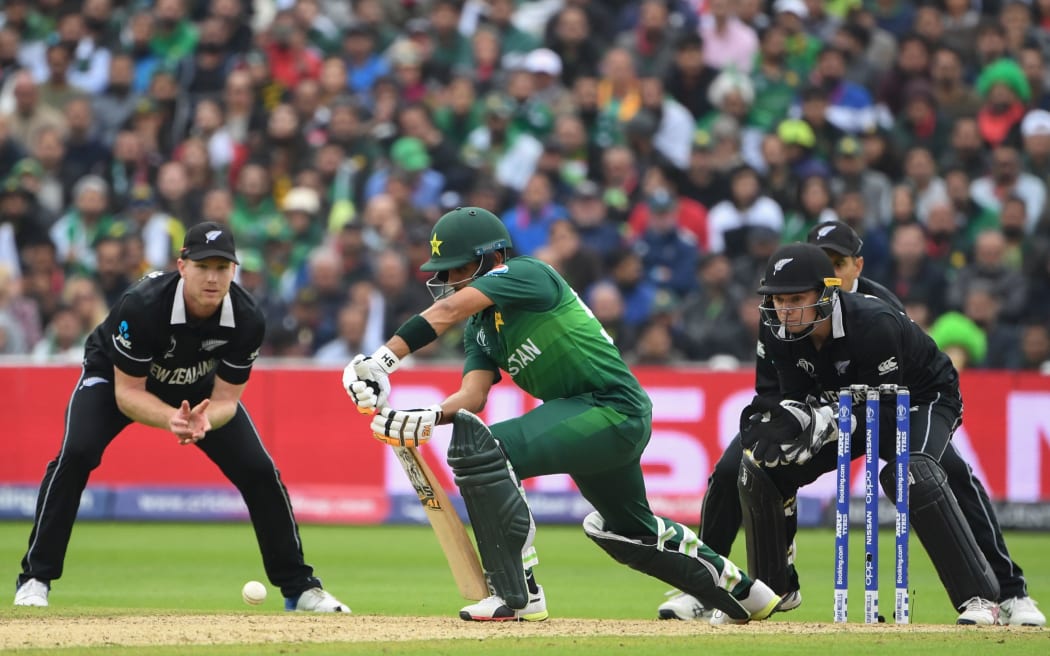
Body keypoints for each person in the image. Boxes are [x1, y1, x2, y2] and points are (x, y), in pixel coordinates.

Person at [341, 207, 782, 624]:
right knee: (630, 533)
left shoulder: (526, 274)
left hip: (612, 406)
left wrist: (382, 360)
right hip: (588, 421)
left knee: (486, 450)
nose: (449, 281)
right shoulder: (481, 328)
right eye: (444, 272)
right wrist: (428, 415)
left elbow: (446, 312)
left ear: (492, 258)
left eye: (458, 269)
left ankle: (520, 595)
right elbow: (473, 397)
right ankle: (746, 593)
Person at [659, 225, 1045, 627]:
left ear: (844, 274)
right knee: (748, 466)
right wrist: (790, 421)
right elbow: (781, 392)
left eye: (836, 263)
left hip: (915, 398)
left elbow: (887, 405)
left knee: (920, 471)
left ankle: (1002, 594)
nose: (785, 309)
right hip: (843, 404)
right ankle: (755, 588)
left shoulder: (876, 314)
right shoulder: (779, 322)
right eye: (779, 299)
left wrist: (824, 420)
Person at [14, 223, 350, 614]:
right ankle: (35, 578)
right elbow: (128, 395)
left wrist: (206, 421)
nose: (212, 277)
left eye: (222, 267)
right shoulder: (141, 305)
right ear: (182, 266)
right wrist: (173, 418)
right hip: (114, 378)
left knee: (259, 470)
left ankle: (300, 588)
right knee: (77, 455)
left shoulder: (247, 318)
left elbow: (226, 400)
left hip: (198, 393)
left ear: (234, 272)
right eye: (203, 265)